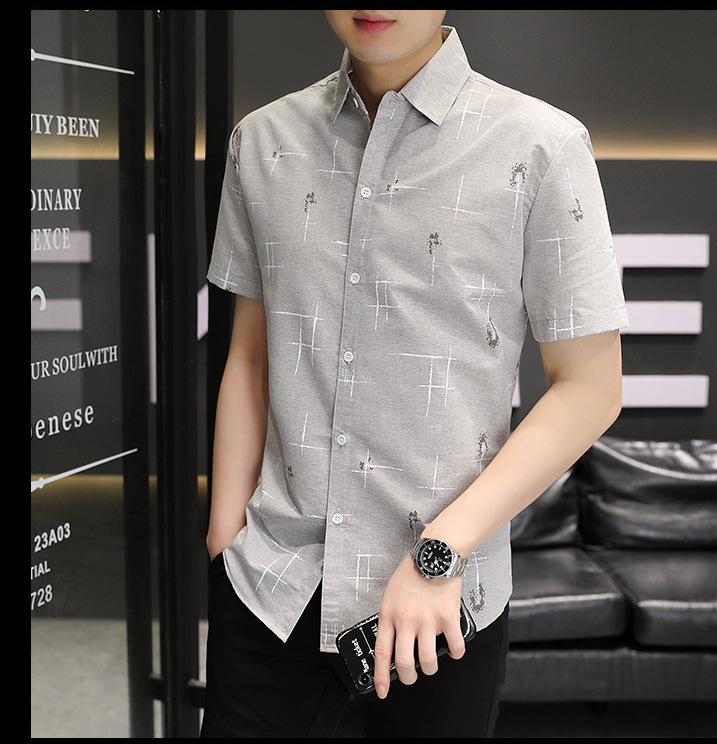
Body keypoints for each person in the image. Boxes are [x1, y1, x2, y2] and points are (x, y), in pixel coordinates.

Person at [200, 10, 628, 738]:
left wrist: (441, 551)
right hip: (271, 590)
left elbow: (591, 389)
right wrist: (224, 541)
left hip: (442, 610)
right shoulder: (262, 141)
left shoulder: (542, 146)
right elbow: (250, 355)